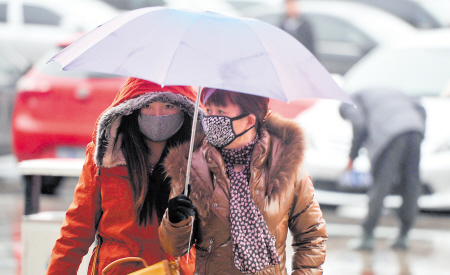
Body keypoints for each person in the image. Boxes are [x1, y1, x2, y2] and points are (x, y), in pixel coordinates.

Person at [159, 88, 328, 274]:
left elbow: (312, 237)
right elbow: (174, 248)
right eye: (208, 111)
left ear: (249, 120)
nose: (211, 119)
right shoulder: (193, 166)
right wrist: (175, 221)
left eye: (221, 112)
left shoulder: (285, 165)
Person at [46, 77, 199, 275]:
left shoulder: (199, 162)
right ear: (132, 109)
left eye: (168, 105)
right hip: (117, 269)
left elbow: (216, 238)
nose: (158, 115)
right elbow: (75, 232)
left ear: (184, 110)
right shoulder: (106, 158)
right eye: (148, 105)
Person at [339, 88, 426, 250]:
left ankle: (367, 236)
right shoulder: (387, 93)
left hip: (389, 136)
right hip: (415, 129)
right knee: (411, 184)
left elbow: (358, 125)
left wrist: (352, 158)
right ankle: (404, 236)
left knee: (381, 184)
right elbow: (420, 109)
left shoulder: (348, 102)